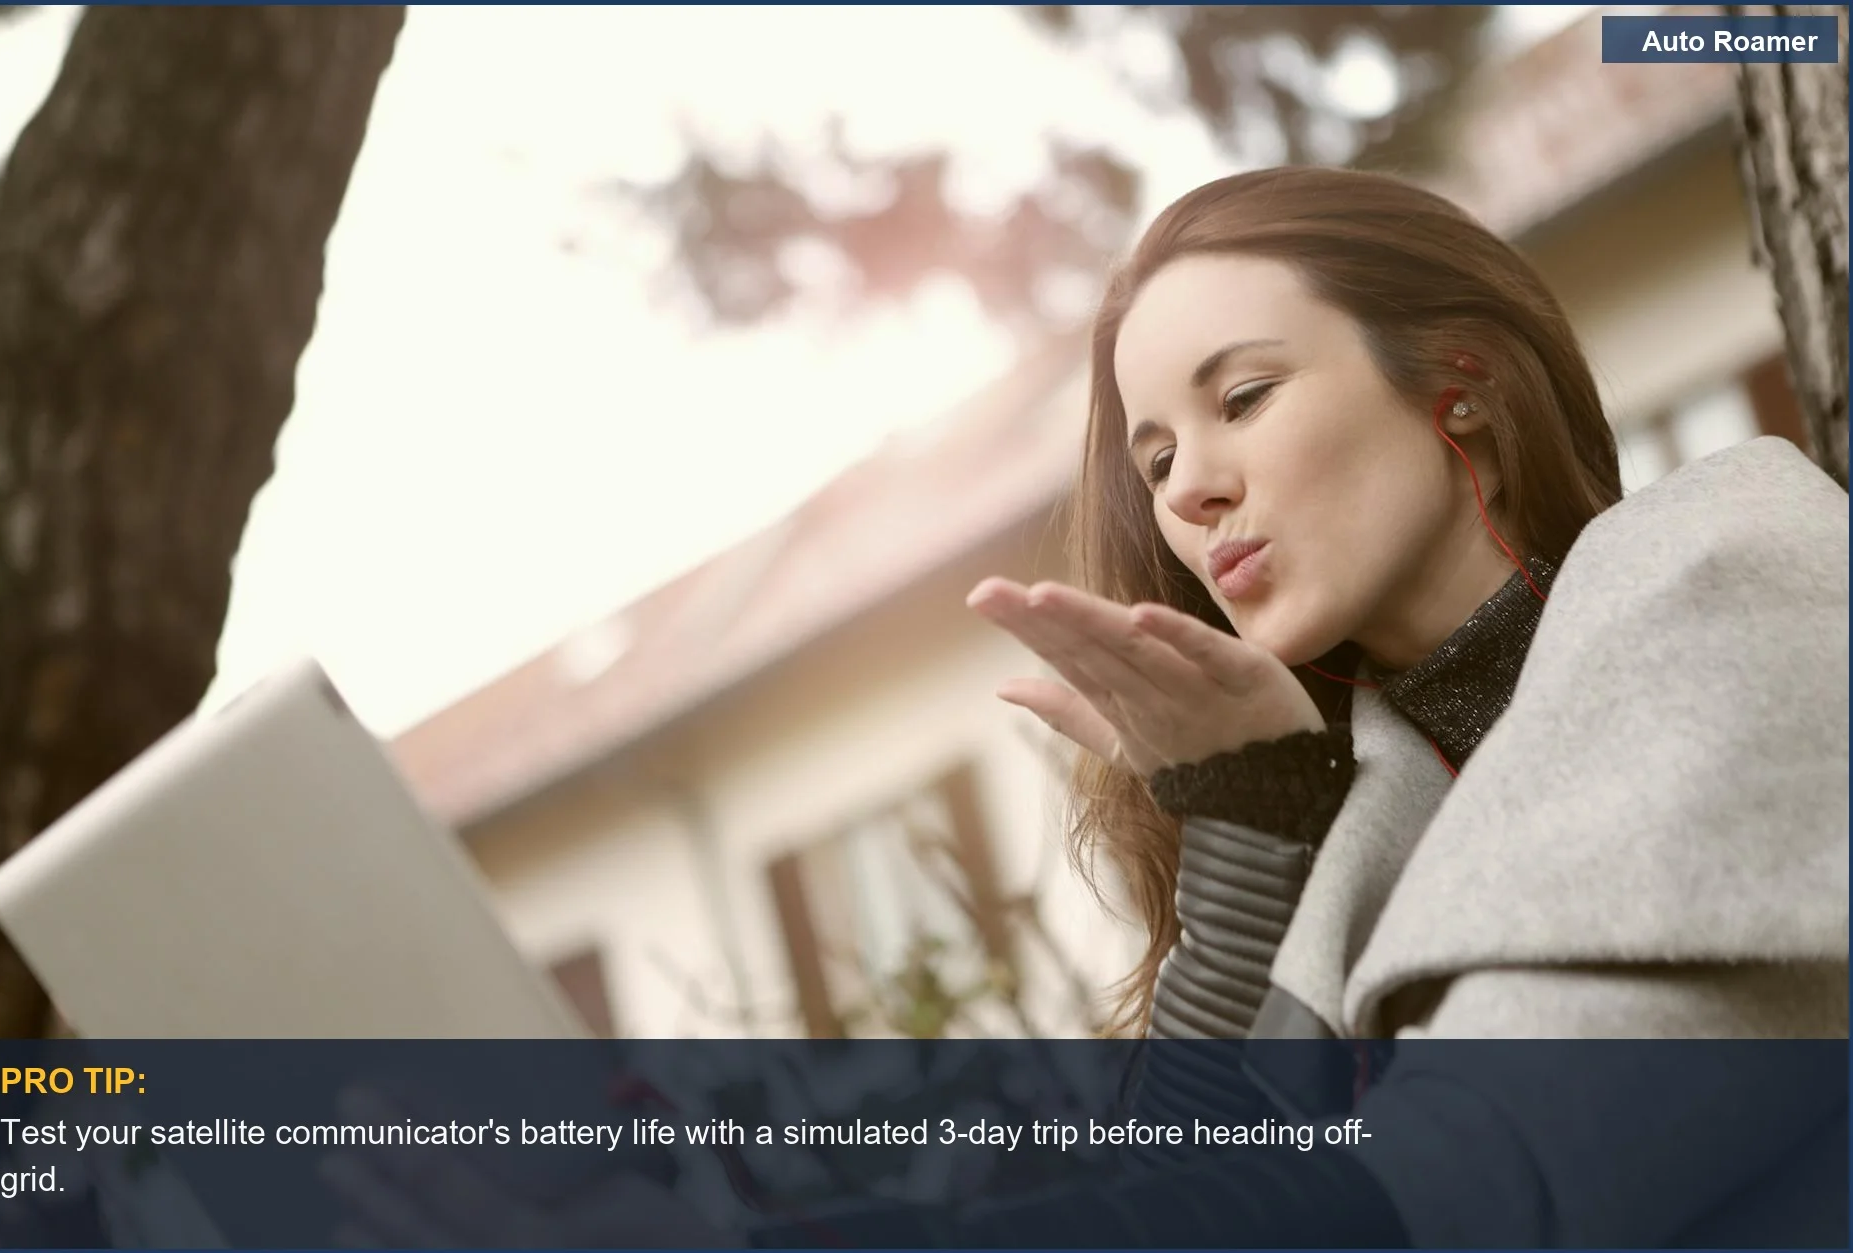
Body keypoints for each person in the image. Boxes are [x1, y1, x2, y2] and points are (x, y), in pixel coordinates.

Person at [323, 167, 1849, 1247]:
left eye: (1242, 397)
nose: (1190, 488)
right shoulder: (1358, 808)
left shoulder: (1727, 567)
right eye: (1156, 454)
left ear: (1457, 380)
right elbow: (1185, 1181)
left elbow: (1450, 1178)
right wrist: (1247, 836)